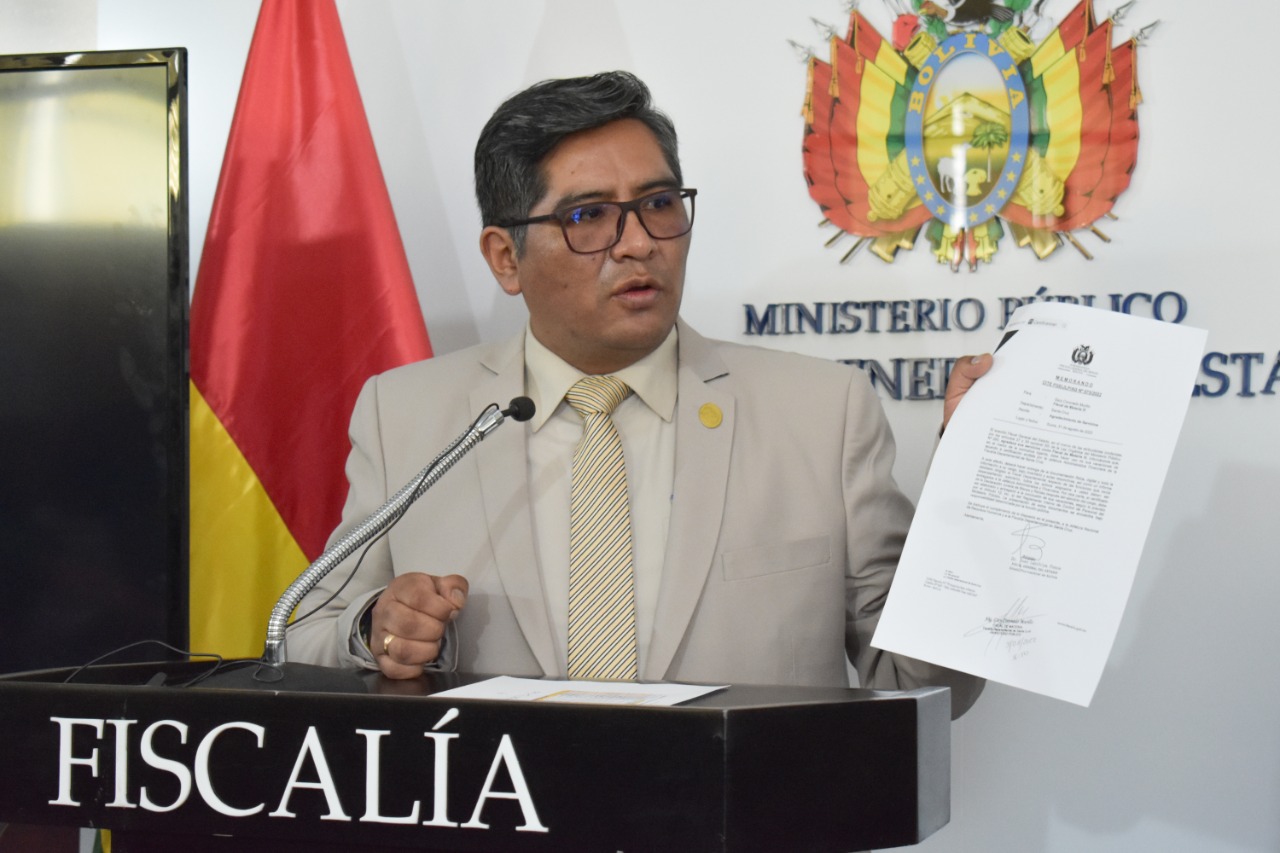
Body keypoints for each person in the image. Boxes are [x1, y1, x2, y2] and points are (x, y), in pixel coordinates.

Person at [286, 70, 991, 717]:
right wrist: (375, 631)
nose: (639, 243)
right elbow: (300, 637)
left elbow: (926, 684)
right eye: (588, 215)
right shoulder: (405, 415)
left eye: (658, 203)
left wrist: (973, 495)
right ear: (506, 257)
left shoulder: (822, 414)